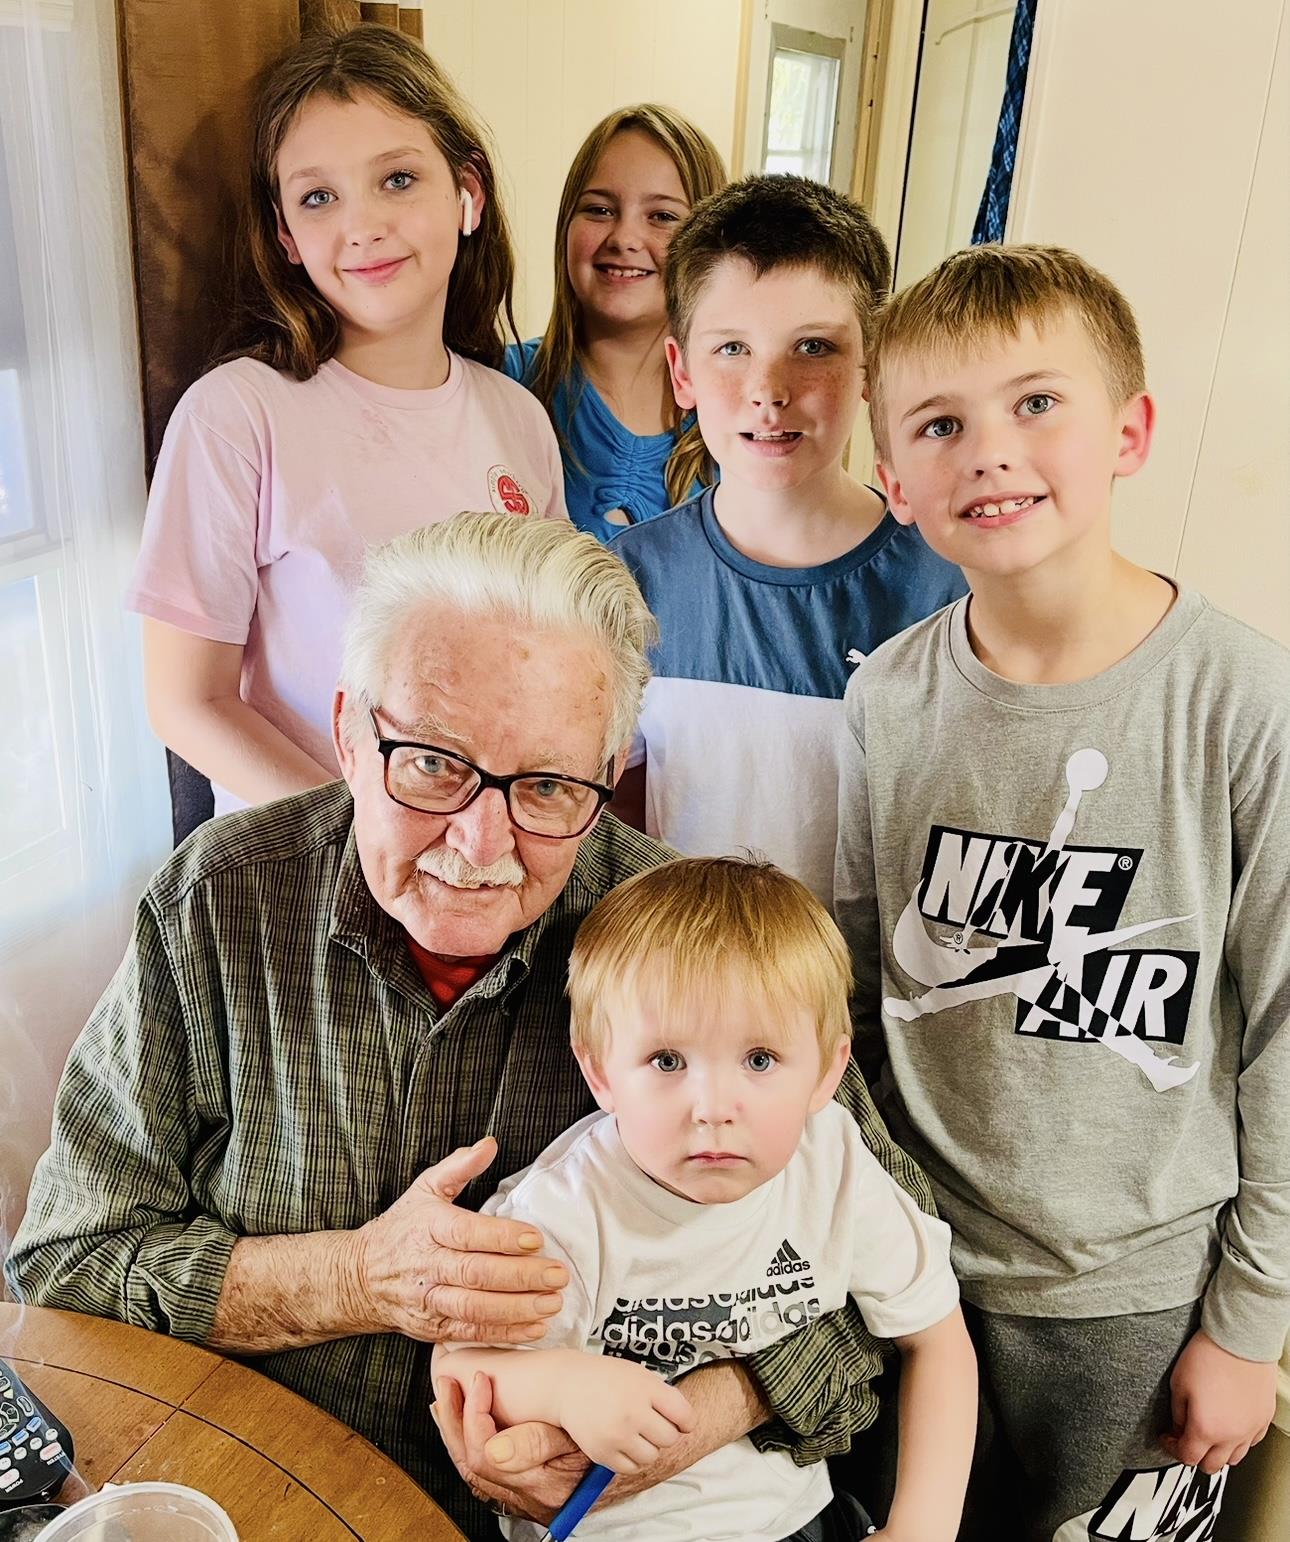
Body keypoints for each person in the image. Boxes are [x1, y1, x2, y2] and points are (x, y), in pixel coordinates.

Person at [8, 514, 942, 1542]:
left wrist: (690, 1420)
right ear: (349, 737)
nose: (480, 841)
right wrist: (357, 1278)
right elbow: (69, 1263)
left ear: (609, 770)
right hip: (265, 1491)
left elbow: (884, 1291)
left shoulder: (696, 950)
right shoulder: (220, 904)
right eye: (430, 764)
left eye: (547, 785)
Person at [835, 244, 1289, 1541]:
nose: (989, 449)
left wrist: (1247, 1323)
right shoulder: (887, 702)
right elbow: (860, 996)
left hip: (1134, 1300)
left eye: (1036, 403)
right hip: (913, 1274)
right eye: (939, 421)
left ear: (1128, 430)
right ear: (896, 481)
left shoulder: (1246, 706)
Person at [434, 857, 976, 1542]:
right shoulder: (564, 1210)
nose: (714, 1109)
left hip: (795, 1519)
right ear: (599, 1072)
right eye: (667, 1062)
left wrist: (921, 1529)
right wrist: (561, 1385)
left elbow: (938, 1339)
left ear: (826, 1074)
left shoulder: (834, 1164)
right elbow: (458, 1364)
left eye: (758, 1060)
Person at [128, 26, 566, 818]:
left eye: (397, 179)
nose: (361, 225)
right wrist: (367, 839)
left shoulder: (519, 420)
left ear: (467, 194)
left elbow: (545, 663)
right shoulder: (237, 415)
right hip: (304, 880)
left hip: (491, 863)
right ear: (287, 237)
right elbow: (187, 702)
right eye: (319, 197)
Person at [610, 175, 966, 905]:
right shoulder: (627, 580)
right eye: (732, 348)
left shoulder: (947, 584)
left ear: (872, 365)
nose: (768, 388)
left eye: (813, 347)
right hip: (686, 995)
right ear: (682, 370)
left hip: (867, 1005)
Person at [504, 105, 726, 542]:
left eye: (662, 217)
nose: (624, 238)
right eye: (600, 210)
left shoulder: (739, 420)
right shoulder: (501, 386)